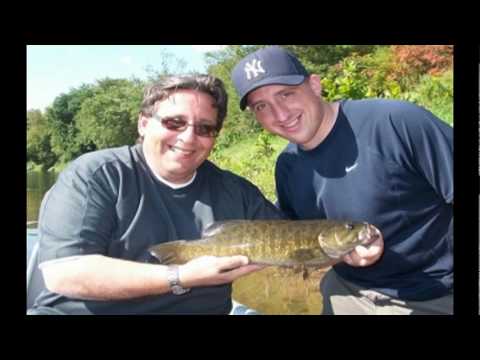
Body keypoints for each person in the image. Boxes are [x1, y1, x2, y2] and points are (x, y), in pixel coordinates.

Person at [29, 75, 284, 315]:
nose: (188, 137)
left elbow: (295, 240)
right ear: (143, 123)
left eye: (204, 128)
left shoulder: (236, 191)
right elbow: (65, 273)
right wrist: (180, 277)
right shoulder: (96, 175)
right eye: (175, 123)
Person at [231, 46, 453, 315]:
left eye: (286, 94)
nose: (280, 114)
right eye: (262, 106)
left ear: (315, 85)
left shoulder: (395, 122)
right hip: (347, 290)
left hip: (433, 294)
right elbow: (303, 245)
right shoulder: (287, 166)